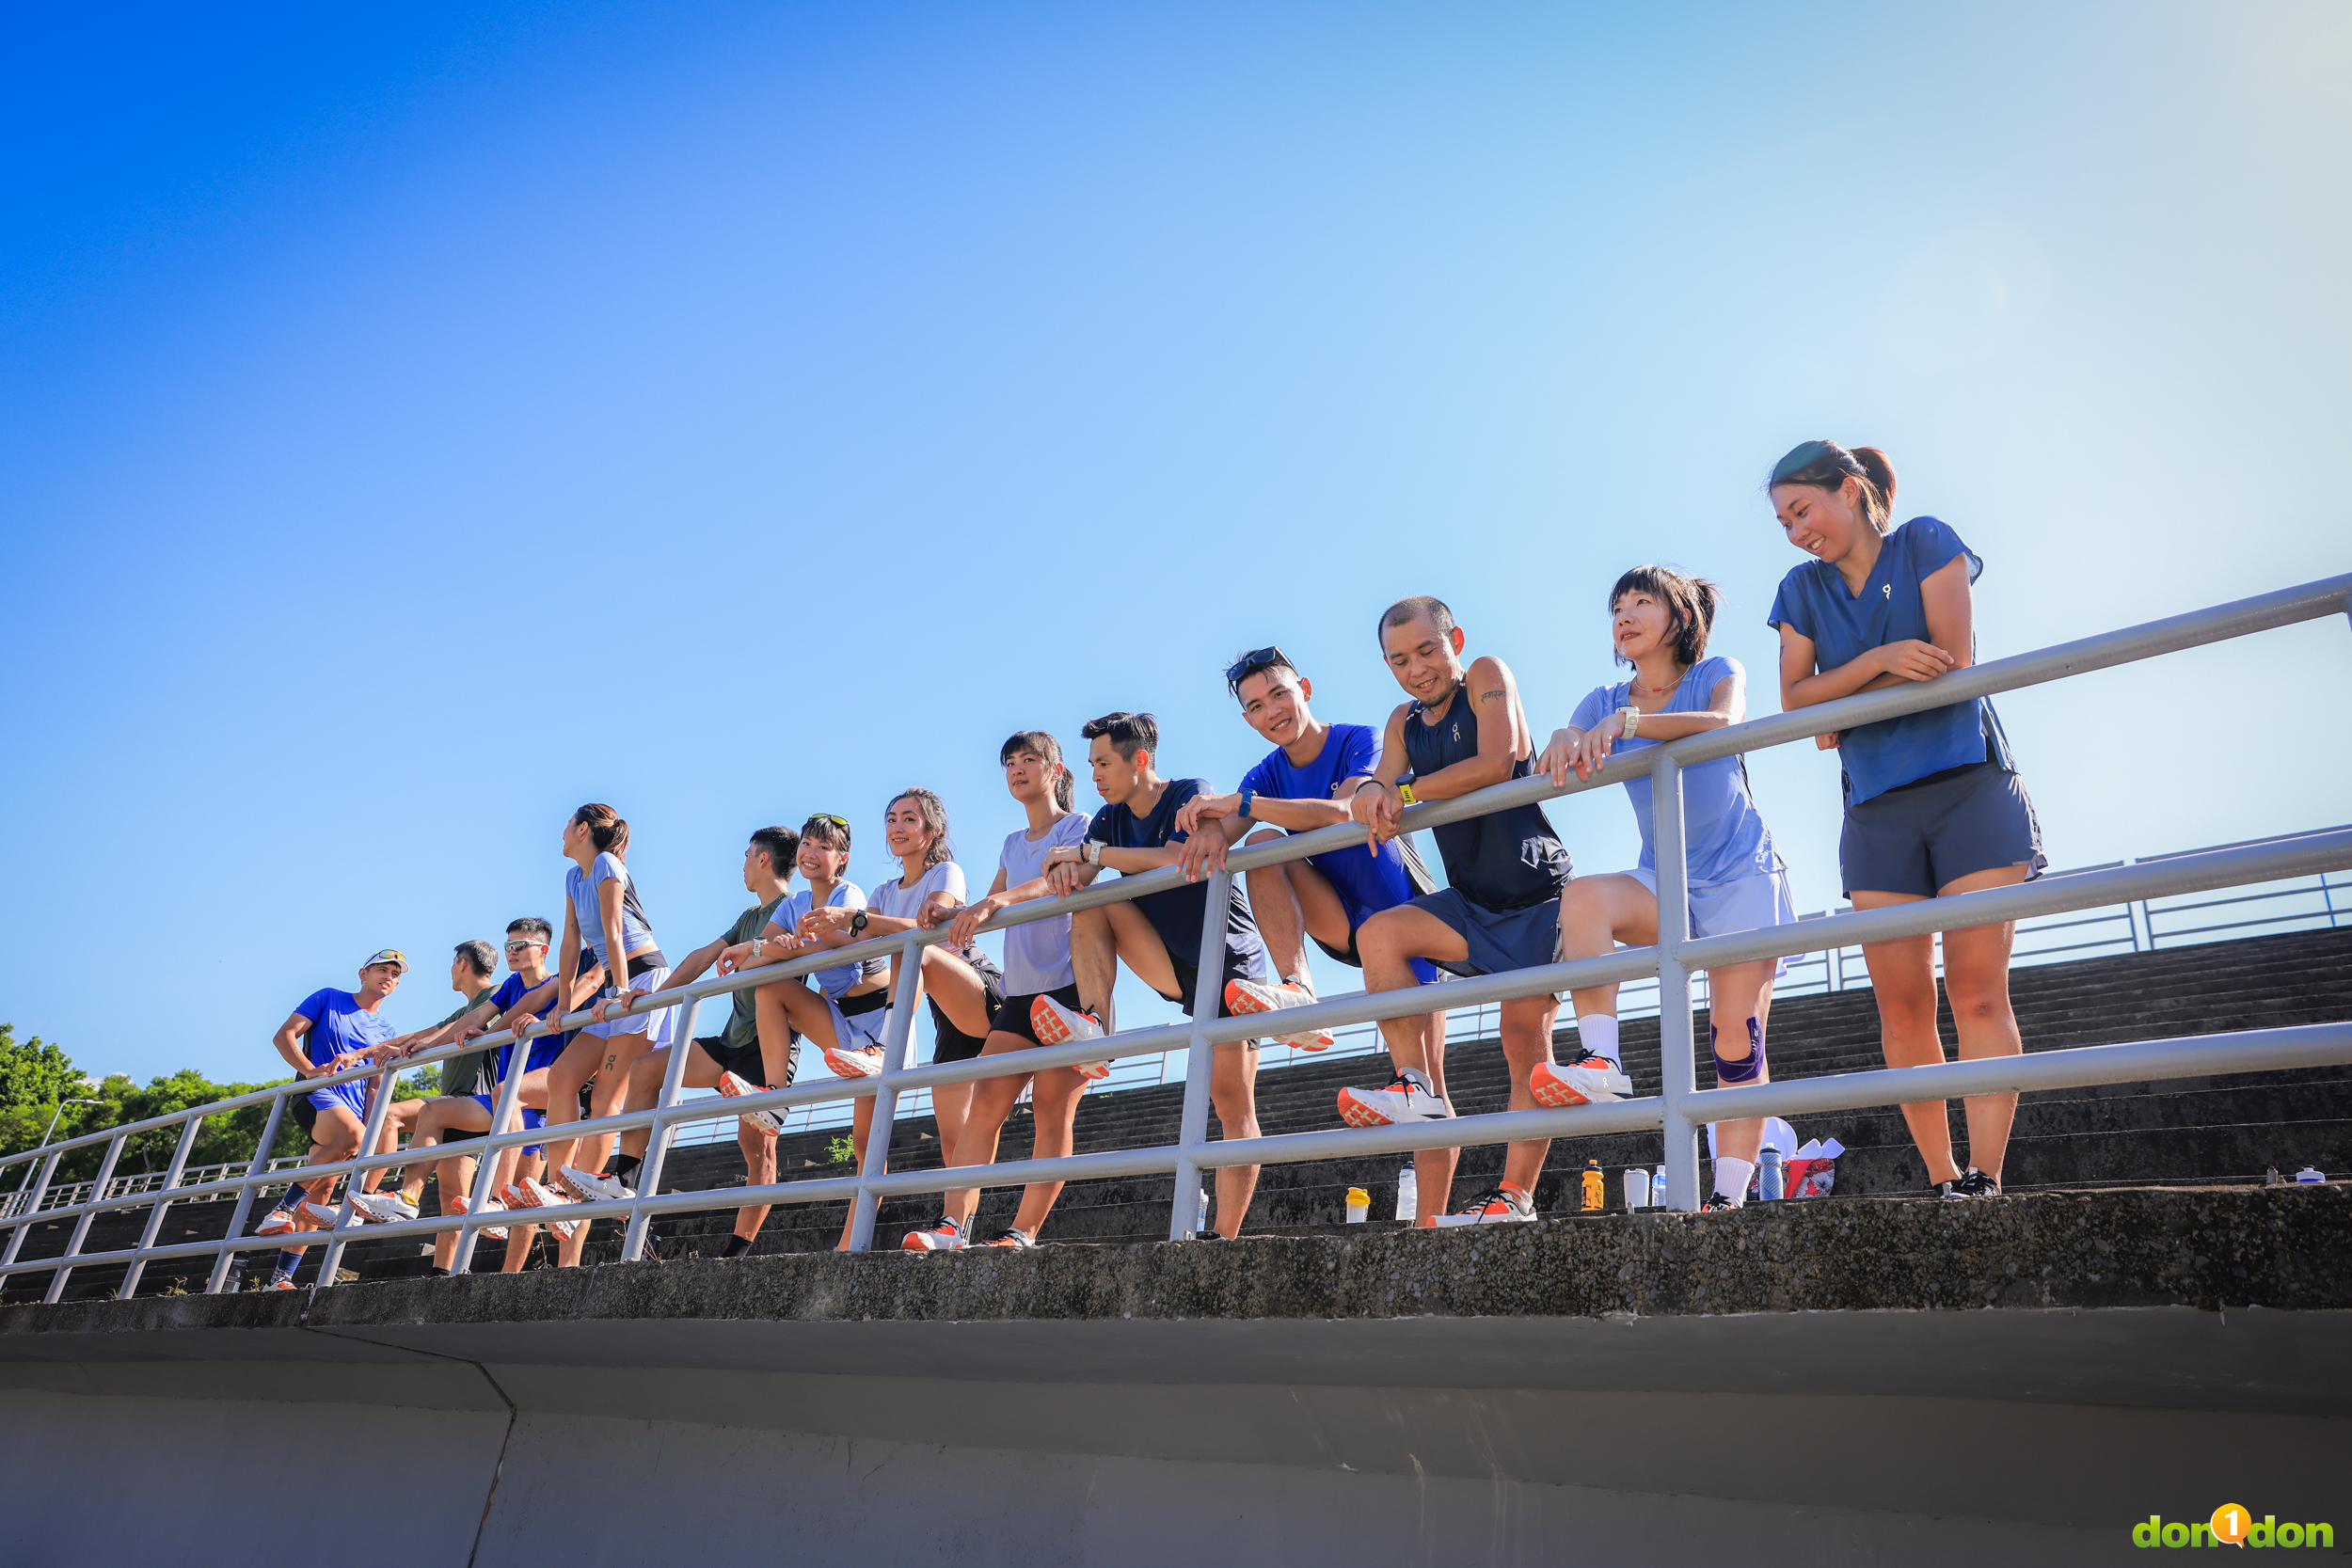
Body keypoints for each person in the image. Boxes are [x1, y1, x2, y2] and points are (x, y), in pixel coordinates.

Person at [1766, 439, 2043, 1200]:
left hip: (1969, 787)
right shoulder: (1800, 588)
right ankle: (1943, 1177)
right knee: (1903, 1006)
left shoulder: (1925, 540)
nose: (1796, 531)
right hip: (1875, 810)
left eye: (1803, 509)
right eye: (1784, 521)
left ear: (1851, 490)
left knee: (1977, 991)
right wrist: (1883, 661)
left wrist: (1842, 697)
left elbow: (1951, 660)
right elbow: (1796, 702)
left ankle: (1985, 1176)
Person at [1341, 595, 1623, 1227]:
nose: (1416, 669)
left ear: (1456, 641)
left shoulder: (1487, 676)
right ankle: (1414, 1084)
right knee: (1379, 935)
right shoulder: (1402, 721)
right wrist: (1369, 790)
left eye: (1427, 651)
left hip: (1538, 895)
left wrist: (1402, 790)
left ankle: (1514, 1196)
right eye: (1399, 660)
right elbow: (1379, 777)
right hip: (1470, 904)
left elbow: (1498, 761)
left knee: (1523, 1045)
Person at [1536, 565, 1801, 1210]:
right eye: (1617, 607)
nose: (1624, 615)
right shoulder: (1604, 698)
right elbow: (1570, 735)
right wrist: (1566, 739)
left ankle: (1728, 1197)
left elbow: (1723, 720)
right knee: (1584, 898)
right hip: (1665, 877)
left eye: (1641, 602)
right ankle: (1602, 1061)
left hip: (1740, 874)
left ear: (1680, 616)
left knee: (1736, 1041)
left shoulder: (1714, 672)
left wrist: (1631, 724)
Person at [1170, 648, 1460, 1224]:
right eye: (1257, 706)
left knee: (1426, 1086)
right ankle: (1299, 987)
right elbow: (1233, 826)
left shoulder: (1359, 739)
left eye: (1279, 694)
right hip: (1341, 918)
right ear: (1248, 719)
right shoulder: (1265, 773)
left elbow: (1344, 810)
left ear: (1303, 687)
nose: (1272, 711)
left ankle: (1429, 1226)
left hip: (1405, 921)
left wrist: (1244, 805)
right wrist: (1207, 827)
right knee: (1260, 845)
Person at [1030, 712, 1273, 1239]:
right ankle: (1095, 1026)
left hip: (1226, 959)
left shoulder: (1189, 793)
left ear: (1139, 759)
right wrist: (1066, 867)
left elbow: (1174, 859)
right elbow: (1083, 871)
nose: (1094, 776)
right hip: (1169, 958)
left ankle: (1224, 1238)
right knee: (1090, 902)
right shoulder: (1108, 818)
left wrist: (1090, 853)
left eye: (1103, 763)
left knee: (1232, 1102)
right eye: (1091, 765)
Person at [899, 732, 1095, 1251]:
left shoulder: (1078, 825)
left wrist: (993, 903)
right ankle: (952, 1226)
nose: (1018, 769)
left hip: (1072, 991)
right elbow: (988, 904)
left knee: (1052, 1109)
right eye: (1010, 762)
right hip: (1021, 995)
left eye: (1029, 759)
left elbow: (1058, 880)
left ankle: (1022, 1232)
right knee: (983, 1103)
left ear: (1056, 770)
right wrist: (950, 912)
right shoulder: (1012, 842)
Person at [795, 790, 1006, 1251]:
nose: (897, 827)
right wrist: (808, 937)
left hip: (977, 988)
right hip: (945, 1014)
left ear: (933, 830)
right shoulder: (883, 893)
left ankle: (885, 1048)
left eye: (910, 818)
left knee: (913, 949)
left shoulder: (945, 872)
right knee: (953, 1135)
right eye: (891, 818)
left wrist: (854, 919)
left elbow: (926, 931)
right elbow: (860, 942)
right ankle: (955, 1229)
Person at [606, 825, 803, 1259]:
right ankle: (625, 1179)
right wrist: (653, 998)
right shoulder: (749, 916)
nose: (743, 864)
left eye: (748, 855)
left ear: (764, 859)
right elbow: (702, 957)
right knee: (646, 1069)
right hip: (731, 1041)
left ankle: (737, 1254)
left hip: (767, 1048)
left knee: (757, 1149)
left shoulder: (793, 907)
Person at [349, 920, 589, 1272]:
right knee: (433, 1112)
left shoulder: (559, 988)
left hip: (538, 1105)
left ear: (543, 951)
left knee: (523, 1199)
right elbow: (476, 1017)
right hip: (500, 1100)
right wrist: (429, 1045)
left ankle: (509, 1275)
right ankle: (407, 1199)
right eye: (508, 946)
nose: (511, 952)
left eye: (520, 946)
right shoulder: (511, 986)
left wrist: (533, 1023)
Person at [722, 814, 888, 1249]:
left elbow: (849, 946)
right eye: (807, 844)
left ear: (842, 859)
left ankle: (853, 1244)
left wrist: (790, 948)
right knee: (770, 988)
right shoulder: (793, 904)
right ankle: (775, 1100)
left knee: (866, 1142)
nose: (812, 853)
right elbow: (754, 963)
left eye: (824, 847)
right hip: (841, 1017)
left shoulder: (847, 895)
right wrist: (769, 947)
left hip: (879, 1021)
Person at [539, 805, 676, 1244]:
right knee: (562, 1077)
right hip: (615, 986)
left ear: (583, 829)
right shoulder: (573, 877)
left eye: (568, 824)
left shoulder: (606, 864)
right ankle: (558, 1187)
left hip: (639, 980)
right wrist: (562, 1006)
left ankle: (582, 1194)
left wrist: (619, 992)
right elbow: (570, 943)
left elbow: (615, 932)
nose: (562, 831)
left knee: (606, 1097)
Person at [248, 950, 406, 1288]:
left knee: (322, 1192)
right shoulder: (328, 998)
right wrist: (309, 1072)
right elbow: (284, 1036)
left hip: (353, 1110)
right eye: (382, 969)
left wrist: (369, 1132)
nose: (389, 977)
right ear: (363, 973)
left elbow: (375, 1086)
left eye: (395, 974)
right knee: (352, 1136)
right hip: (317, 1095)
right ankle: (281, 1209)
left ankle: (280, 1278)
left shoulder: (387, 1028)